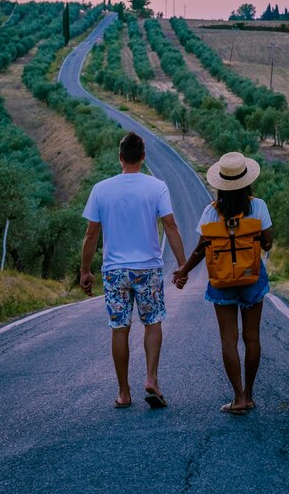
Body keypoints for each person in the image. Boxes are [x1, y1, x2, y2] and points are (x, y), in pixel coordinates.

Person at [80, 132, 187, 409]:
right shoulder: (157, 187)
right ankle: (152, 380)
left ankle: (124, 392)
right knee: (152, 323)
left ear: (120, 157)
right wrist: (183, 265)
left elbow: (91, 235)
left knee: (119, 329)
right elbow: (171, 226)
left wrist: (85, 271)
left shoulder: (101, 189)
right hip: (148, 269)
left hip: (115, 271)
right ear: (143, 156)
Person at [173, 152, 273, 415]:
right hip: (252, 277)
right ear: (247, 180)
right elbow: (268, 242)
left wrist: (183, 272)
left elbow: (200, 250)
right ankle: (250, 395)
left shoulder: (210, 212)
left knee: (228, 339)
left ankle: (238, 397)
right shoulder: (259, 206)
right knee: (252, 338)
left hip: (221, 281)